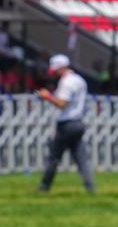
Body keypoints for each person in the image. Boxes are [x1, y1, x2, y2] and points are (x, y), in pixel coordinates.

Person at [36, 54, 95, 195]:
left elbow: (62, 104)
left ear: (61, 68)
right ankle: (90, 187)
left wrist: (47, 96)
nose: (54, 74)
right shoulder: (80, 80)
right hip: (79, 122)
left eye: (55, 70)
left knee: (54, 157)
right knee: (81, 158)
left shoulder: (66, 82)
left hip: (66, 123)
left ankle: (45, 186)